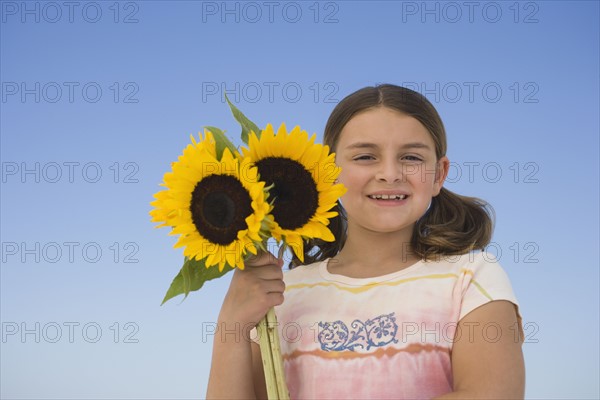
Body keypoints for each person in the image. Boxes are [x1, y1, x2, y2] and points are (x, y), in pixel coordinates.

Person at [206, 84, 525, 399]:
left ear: (438, 175)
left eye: (411, 156)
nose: (389, 173)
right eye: (365, 156)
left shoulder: (471, 278)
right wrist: (231, 323)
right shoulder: (281, 295)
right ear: (328, 172)